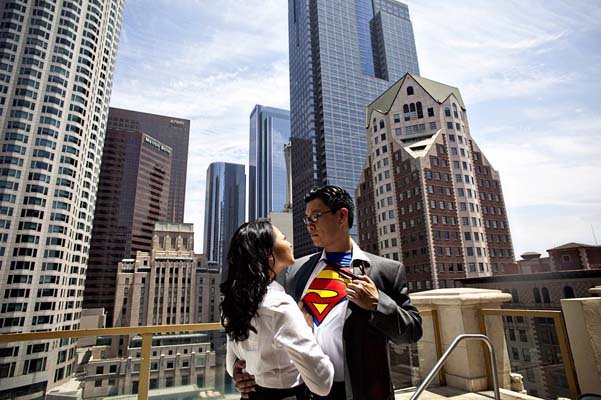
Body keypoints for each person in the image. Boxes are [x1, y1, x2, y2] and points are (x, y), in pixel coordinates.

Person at [233, 185, 423, 400]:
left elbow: (412, 332)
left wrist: (377, 303)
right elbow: (265, 328)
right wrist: (242, 370)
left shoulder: (387, 270)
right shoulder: (296, 270)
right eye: (307, 219)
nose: (309, 225)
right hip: (304, 391)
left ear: (342, 216)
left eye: (316, 216)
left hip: (361, 392)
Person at [222, 220, 334, 400]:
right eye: (283, 238)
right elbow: (322, 383)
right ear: (268, 254)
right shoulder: (280, 306)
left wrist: (241, 376)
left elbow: (232, 364)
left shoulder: (233, 303)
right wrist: (309, 330)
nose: (289, 242)